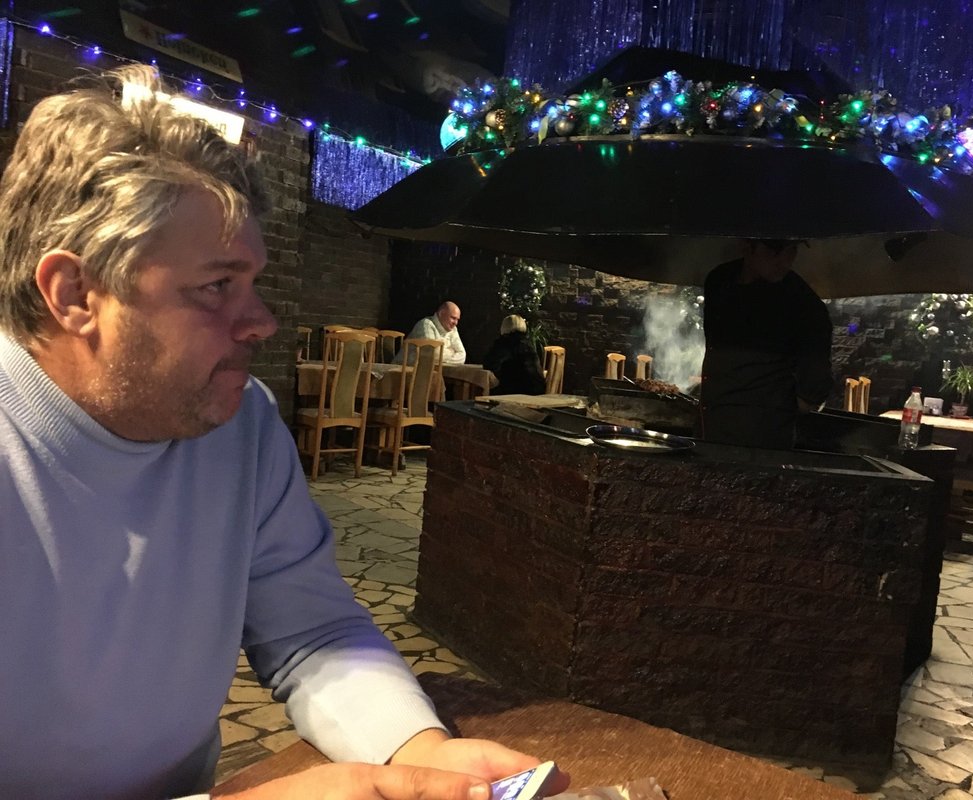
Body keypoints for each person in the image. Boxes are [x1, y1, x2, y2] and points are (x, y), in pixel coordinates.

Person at [0, 65, 568, 800]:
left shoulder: (239, 425)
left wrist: (419, 752)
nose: (262, 321)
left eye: (255, 282)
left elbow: (310, 631)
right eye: (216, 286)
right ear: (75, 293)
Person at [699, 239, 833, 449]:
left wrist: (774, 409)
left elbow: (814, 385)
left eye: (791, 251)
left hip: (762, 435)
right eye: (774, 251)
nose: (784, 261)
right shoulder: (720, 280)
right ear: (747, 247)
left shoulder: (804, 304)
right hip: (710, 417)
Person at [482, 315, 546, 396]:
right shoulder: (528, 344)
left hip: (514, 391)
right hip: (537, 390)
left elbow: (489, 363)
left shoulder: (504, 344)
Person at [399, 301, 466, 365]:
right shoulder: (426, 324)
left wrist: (441, 353)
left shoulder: (453, 329)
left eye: (457, 319)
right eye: (453, 318)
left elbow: (462, 355)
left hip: (433, 370)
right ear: (441, 313)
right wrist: (452, 352)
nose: (455, 323)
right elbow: (432, 354)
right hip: (404, 370)